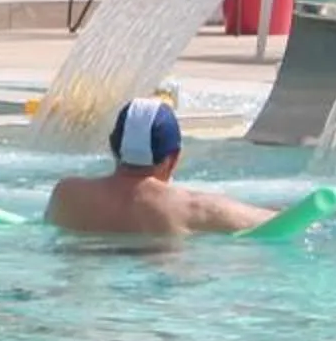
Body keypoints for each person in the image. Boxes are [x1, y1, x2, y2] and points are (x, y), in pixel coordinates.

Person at [45, 98, 277, 238]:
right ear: (174, 158)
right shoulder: (193, 208)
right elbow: (275, 223)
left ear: (113, 148)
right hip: (158, 299)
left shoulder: (67, 195)